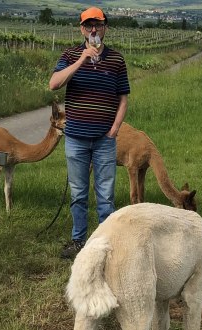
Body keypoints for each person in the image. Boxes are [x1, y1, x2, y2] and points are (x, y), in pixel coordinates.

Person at [49, 6, 130, 260]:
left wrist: (114, 129)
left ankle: (106, 243)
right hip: (75, 137)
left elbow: (123, 98)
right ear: (81, 29)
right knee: (78, 192)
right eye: (88, 26)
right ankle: (78, 241)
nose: (93, 30)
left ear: (105, 27)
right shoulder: (70, 54)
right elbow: (54, 84)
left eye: (98, 25)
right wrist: (82, 59)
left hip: (104, 139)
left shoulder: (116, 60)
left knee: (106, 193)